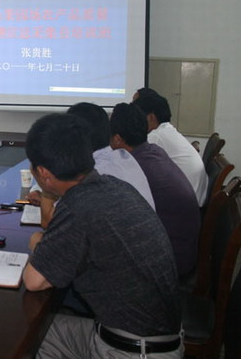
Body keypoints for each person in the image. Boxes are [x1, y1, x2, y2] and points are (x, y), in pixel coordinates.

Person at [22, 113, 182, 359]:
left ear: (43, 173)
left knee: (23, 338)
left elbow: (34, 281)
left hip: (133, 351)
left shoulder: (77, 206)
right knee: (37, 335)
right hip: (153, 336)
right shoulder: (115, 186)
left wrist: (37, 241)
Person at [26, 102, 156, 227]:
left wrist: (46, 190)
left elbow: (50, 222)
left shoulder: (92, 172)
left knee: (36, 238)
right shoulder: (122, 156)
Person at [110, 102, 200, 277]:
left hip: (171, 261)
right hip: (181, 248)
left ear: (117, 139)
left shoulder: (135, 168)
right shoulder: (153, 151)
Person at [133, 93, 209, 206]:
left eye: (139, 117)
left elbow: (131, 162)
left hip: (185, 204)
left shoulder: (156, 136)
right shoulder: (167, 131)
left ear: (151, 117)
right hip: (195, 199)